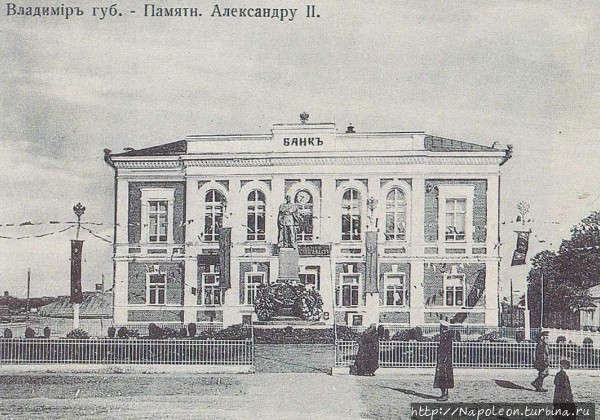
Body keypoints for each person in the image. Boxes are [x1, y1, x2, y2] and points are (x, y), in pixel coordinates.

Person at [434, 320, 454, 401]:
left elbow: (447, 349)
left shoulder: (447, 336)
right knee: (441, 377)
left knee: (444, 377)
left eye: (441, 327)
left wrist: (444, 360)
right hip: (443, 359)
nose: (440, 329)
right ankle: (444, 394)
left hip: (445, 360)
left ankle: (445, 395)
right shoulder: (444, 336)